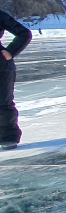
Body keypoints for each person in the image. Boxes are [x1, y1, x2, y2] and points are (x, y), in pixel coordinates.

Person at [0, 10, 31, 150]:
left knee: (3, 104)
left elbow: (24, 33)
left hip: (2, 67)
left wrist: (11, 51)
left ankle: (8, 137)